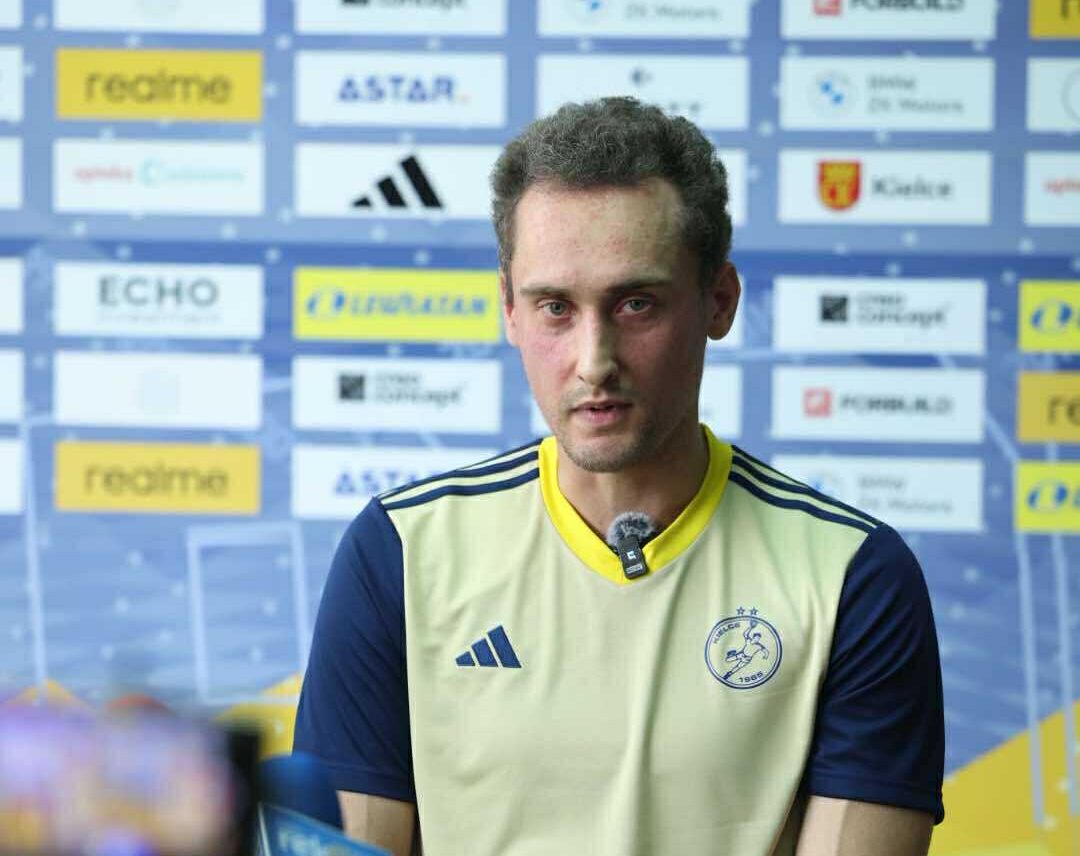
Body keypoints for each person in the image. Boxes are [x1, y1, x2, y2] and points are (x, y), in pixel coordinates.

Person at [294, 97, 945, 856]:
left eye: (636, 304)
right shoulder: (402, 551)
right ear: (509, 309)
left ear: (719, 301)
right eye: (555, 307)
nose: (594, 361)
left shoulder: (853, 576)